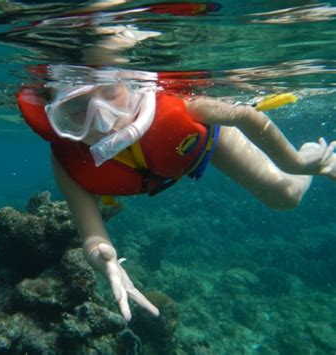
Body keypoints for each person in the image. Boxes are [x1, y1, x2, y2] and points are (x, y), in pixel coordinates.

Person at [17, 64, 336, 321]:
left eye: (111, 93)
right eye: (75, 110)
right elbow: (92, 235)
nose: (103, 121)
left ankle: (314, 158)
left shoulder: (182, 106)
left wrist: (294, 163)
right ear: (53, 117)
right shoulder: (68, 163)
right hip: (170, 159)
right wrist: (102, 257)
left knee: (286, 197)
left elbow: (243, 114)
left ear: (131, 85)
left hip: (200, 143)